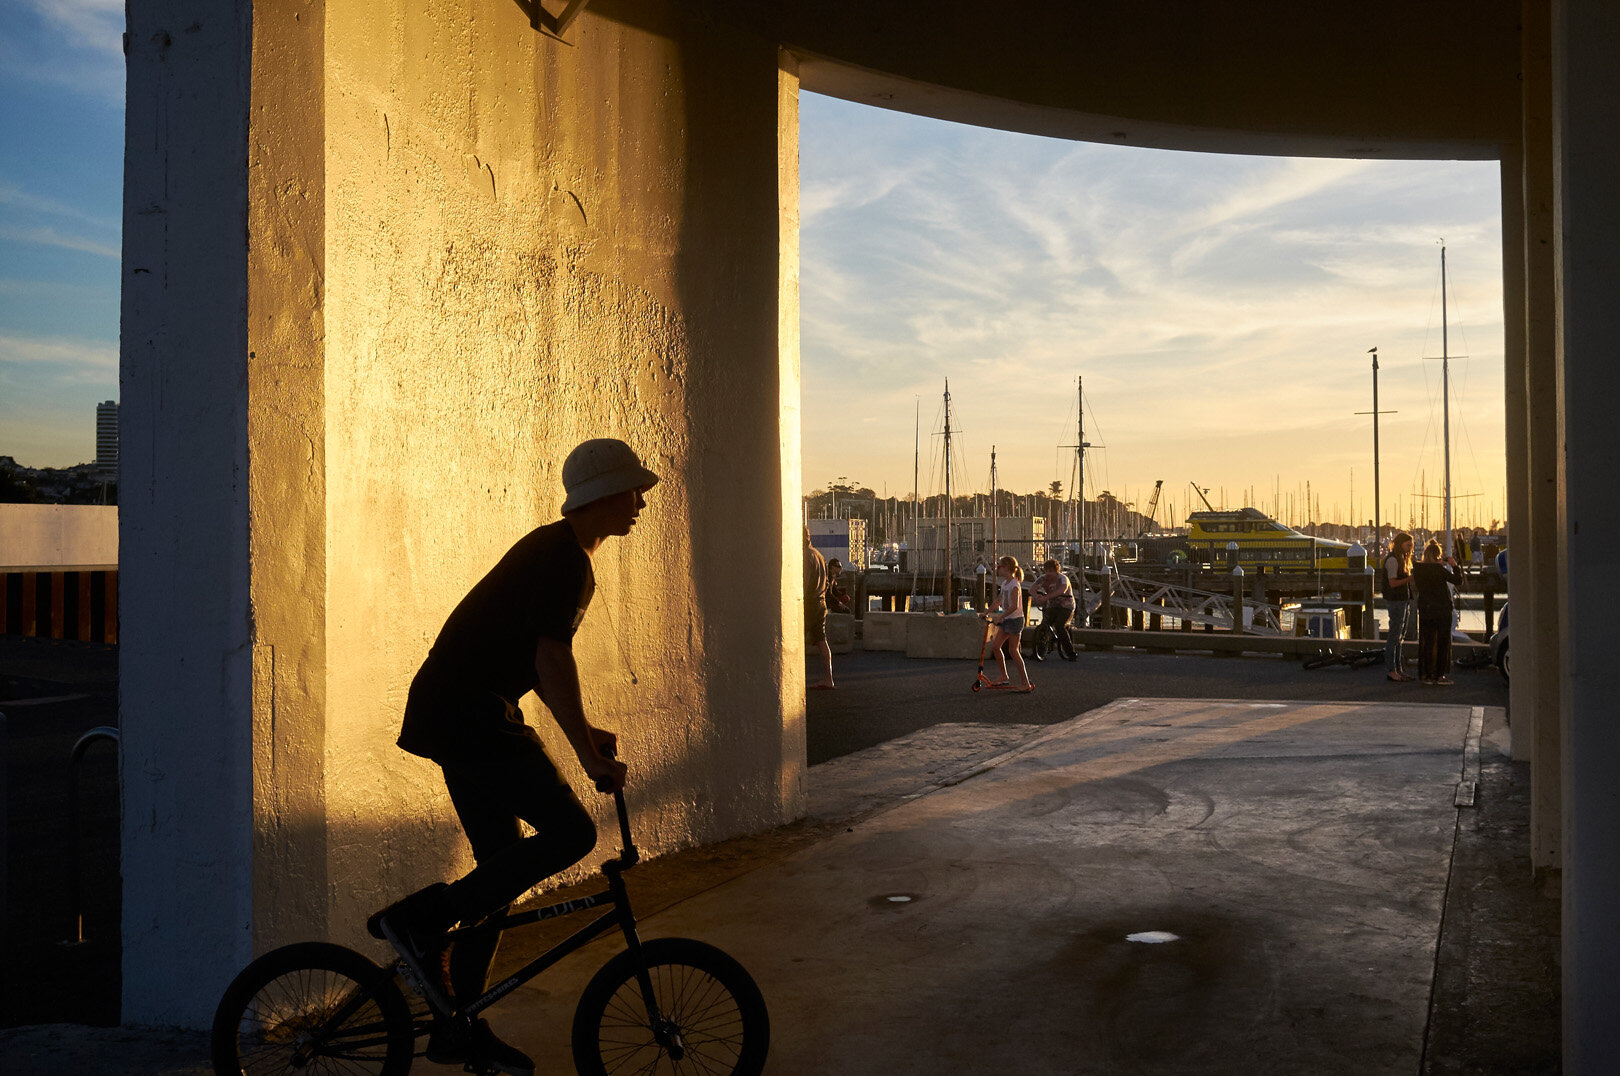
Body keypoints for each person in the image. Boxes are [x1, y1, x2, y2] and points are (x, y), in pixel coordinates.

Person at [368, 437, 656, 1076]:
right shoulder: (566, 562)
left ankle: (456, 1026)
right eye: (634, 491)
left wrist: (586, 728)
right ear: (605, 494)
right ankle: (421, 922)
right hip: (471, 712)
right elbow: (551, 660)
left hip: (457, 709)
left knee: (498, 870)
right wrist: (588, 754)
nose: (641, 502)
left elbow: (538, 659)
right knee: (574, 831)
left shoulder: (556, 550)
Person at [1412, 539, 1463, 686]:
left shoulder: (1418, 569)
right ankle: (1440, 675)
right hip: (1442, 609)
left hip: (1426, 609)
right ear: (1438, 555)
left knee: (1427, 642)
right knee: (1442, 642)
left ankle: (1427, 675)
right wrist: (1454, 565)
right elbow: (1458, 580)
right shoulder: (1440, 570)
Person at [984, 555, 1034, 692]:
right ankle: (1003, 675)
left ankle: (1025, 683)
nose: (998, 569)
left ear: (1006, 568)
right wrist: (987, 612)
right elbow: (999, 601)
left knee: (1013, 651)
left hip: (1015, 620)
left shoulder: (1014, 585)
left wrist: (1000, 617)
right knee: (995, 647)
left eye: (999, 566)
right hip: (1007, 619)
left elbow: (1014, 606)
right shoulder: (1005, 583)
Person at [1382, 532, 1416, 682]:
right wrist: (1410, 578)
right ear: (1400, 543)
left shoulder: (1401, 558)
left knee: (1400, 636)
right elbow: (1392, 583)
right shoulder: (1393, 560)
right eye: (1408, 545)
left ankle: (1398, 669)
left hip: (1403, 600)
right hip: (1395, 601)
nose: (1410, 548)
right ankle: (1392, 669)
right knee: (1394, 636)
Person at [1030, 557, 1077, 661]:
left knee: (1060, 625)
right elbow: (1032, 589)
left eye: (1051, 571)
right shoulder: (1042, 578)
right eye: (1046, 571)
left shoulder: (1063, 578)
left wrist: (1046, 597)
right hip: (1052, 605)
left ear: (1057, 571)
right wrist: (1036, 596)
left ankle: (1071, 653)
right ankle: (1039, 652)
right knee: (1045, 625)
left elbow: (1062, 590)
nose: (1048, 573)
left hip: (1066, 605)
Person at [805, 529, 835, 689]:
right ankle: (828, 678)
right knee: (821, 640)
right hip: (821, 602)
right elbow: (828, 581)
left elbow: (804, 581)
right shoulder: (818, 554)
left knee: (794, 638)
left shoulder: (805, 556)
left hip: (809, 602)